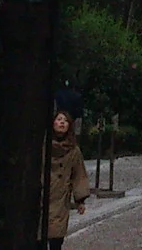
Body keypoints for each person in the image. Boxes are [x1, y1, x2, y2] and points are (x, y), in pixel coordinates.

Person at [43, 107, 91, 250]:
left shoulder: (73, 150)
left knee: (56, 239)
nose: (62, 123)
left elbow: (79, 175)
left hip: (60, 198)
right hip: (43, 195)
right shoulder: (43, 146)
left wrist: (80, 200)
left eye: (65, 121)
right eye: (59, 120)